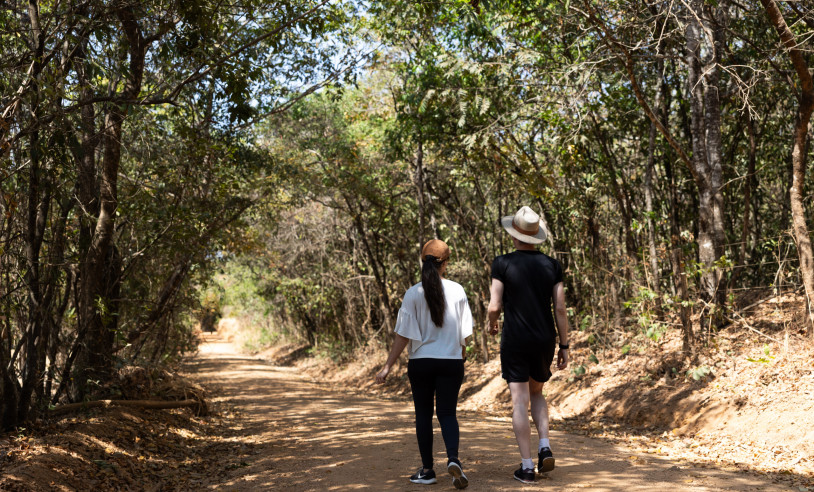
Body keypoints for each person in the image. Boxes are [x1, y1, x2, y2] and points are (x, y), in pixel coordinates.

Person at [375, 239, 473, 490]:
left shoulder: (413, 293)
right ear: (446, 263)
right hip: (451, 362)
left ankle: (428, 470)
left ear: (422, 261)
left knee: (424, 415)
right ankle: (453, 459)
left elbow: (403, 335)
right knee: (448, 413)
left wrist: (387, 366)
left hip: (421, 363)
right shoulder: (458, 290)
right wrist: (460, 353)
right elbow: (464, 335)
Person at [487, 206, 570, 484]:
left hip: (516, 339)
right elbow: (560, 308)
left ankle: (526, 467)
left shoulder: (502, 263)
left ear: (514, 234)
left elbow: (494, 305)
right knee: (537, 393)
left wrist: (491, 322)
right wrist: (565, 345)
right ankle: (544, 445)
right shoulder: (552, 265)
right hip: (544, 338)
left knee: (519, 401)